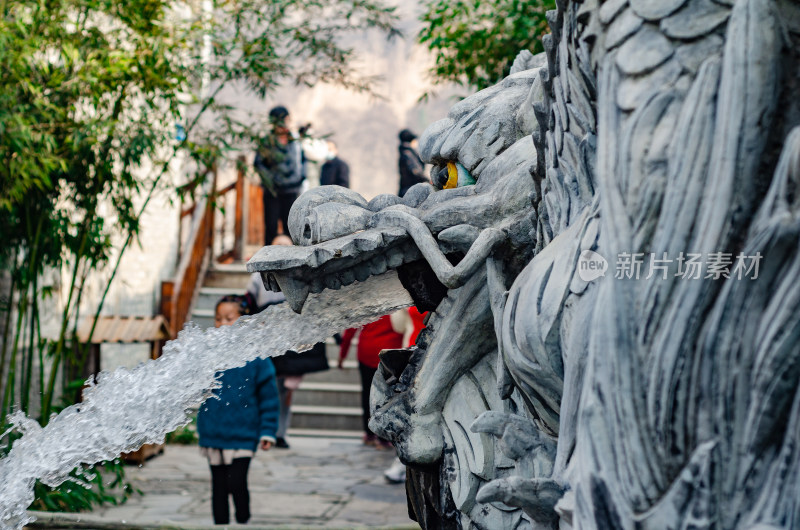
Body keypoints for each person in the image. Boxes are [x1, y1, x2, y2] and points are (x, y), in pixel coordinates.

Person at [197, 295, 280, 525]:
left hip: (244, 435)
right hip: (214, 434)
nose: (222, 324)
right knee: (219, 488)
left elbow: (269, 398)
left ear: (244, 320)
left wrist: (267, 431)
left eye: (229, 318)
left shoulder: (256, 357)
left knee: (236, 483)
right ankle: (221, 525)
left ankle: (243, 522)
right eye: (218, 319)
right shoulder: (208, 354)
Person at [246, 234, 329, 450]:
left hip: (292, 340)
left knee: (286, 391)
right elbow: (249, 303)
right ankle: (265, 430)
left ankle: (280, 432)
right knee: (268, 386)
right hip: (269, 338)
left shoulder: (301, 275)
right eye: (278, 245)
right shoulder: (259, 276)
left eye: (286, 245)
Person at [338, 312, 406, 448]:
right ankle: (383, 437)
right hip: (390, 352)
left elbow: (351, 330)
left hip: (367, 351)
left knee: (367, 394)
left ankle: (369, 434)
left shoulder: (369, 302)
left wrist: (342, 355)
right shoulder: (399, 301)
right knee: (389, 396)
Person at [254, 106, 305, 244]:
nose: (286, 124)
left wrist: (299, 179)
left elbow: (302, 162)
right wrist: (272, 180)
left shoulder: (295, 141)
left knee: (292, 227)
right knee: (271, 226)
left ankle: (294, 260)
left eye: (287, 120)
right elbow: (259, 164)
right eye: (283, 120)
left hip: (292, 190)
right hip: (273, 191)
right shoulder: (266, 142)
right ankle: (267, 260)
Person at [397, 129, 428, 197]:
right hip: (410, 190)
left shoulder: (405, 153)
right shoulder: (408, 154)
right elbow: (415, 171)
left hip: (406, 189)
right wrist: (428, 180)